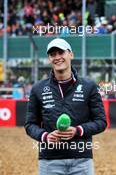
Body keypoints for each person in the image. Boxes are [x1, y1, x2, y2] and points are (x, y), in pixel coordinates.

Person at [24, 38, 107, 175]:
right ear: (49, 59)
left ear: (71, 54)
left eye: (61, 52)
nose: (57, 57)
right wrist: (45, 136)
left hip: (82, 161)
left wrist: (78, 130)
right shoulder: (38, 88)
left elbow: (101, 122)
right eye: (52, 54)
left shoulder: (89, 86)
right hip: (49, 162)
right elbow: (30, 125)